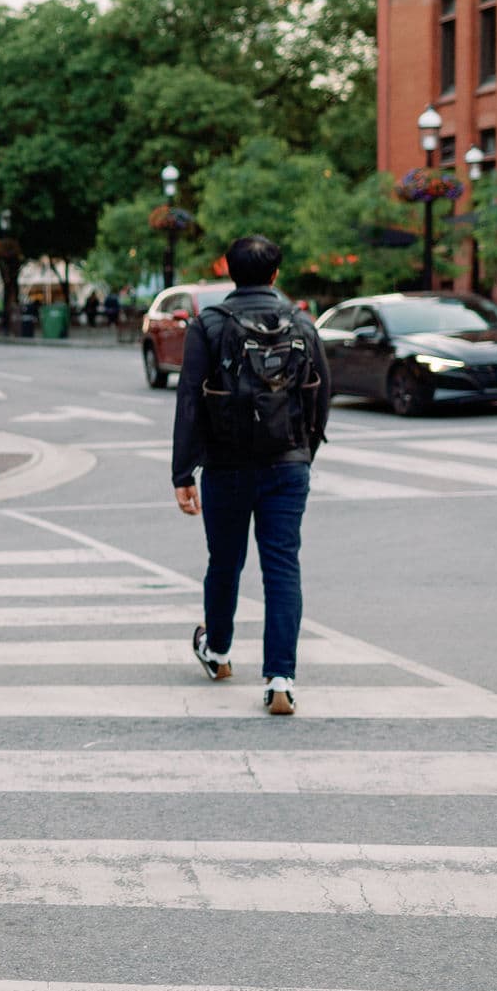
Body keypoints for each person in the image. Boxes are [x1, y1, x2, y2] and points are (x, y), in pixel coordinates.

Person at [171, 235, 331, 716]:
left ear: (229, 272)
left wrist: (183, 472)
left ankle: (217, 651)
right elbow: (320, 392)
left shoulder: (210, 324)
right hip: (288, 462)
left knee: (225, 561)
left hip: (226, 464)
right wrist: (304, 451)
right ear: (276, 274)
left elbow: (189, 401)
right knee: (282, 567)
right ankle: (280, 677)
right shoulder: (300, 321)